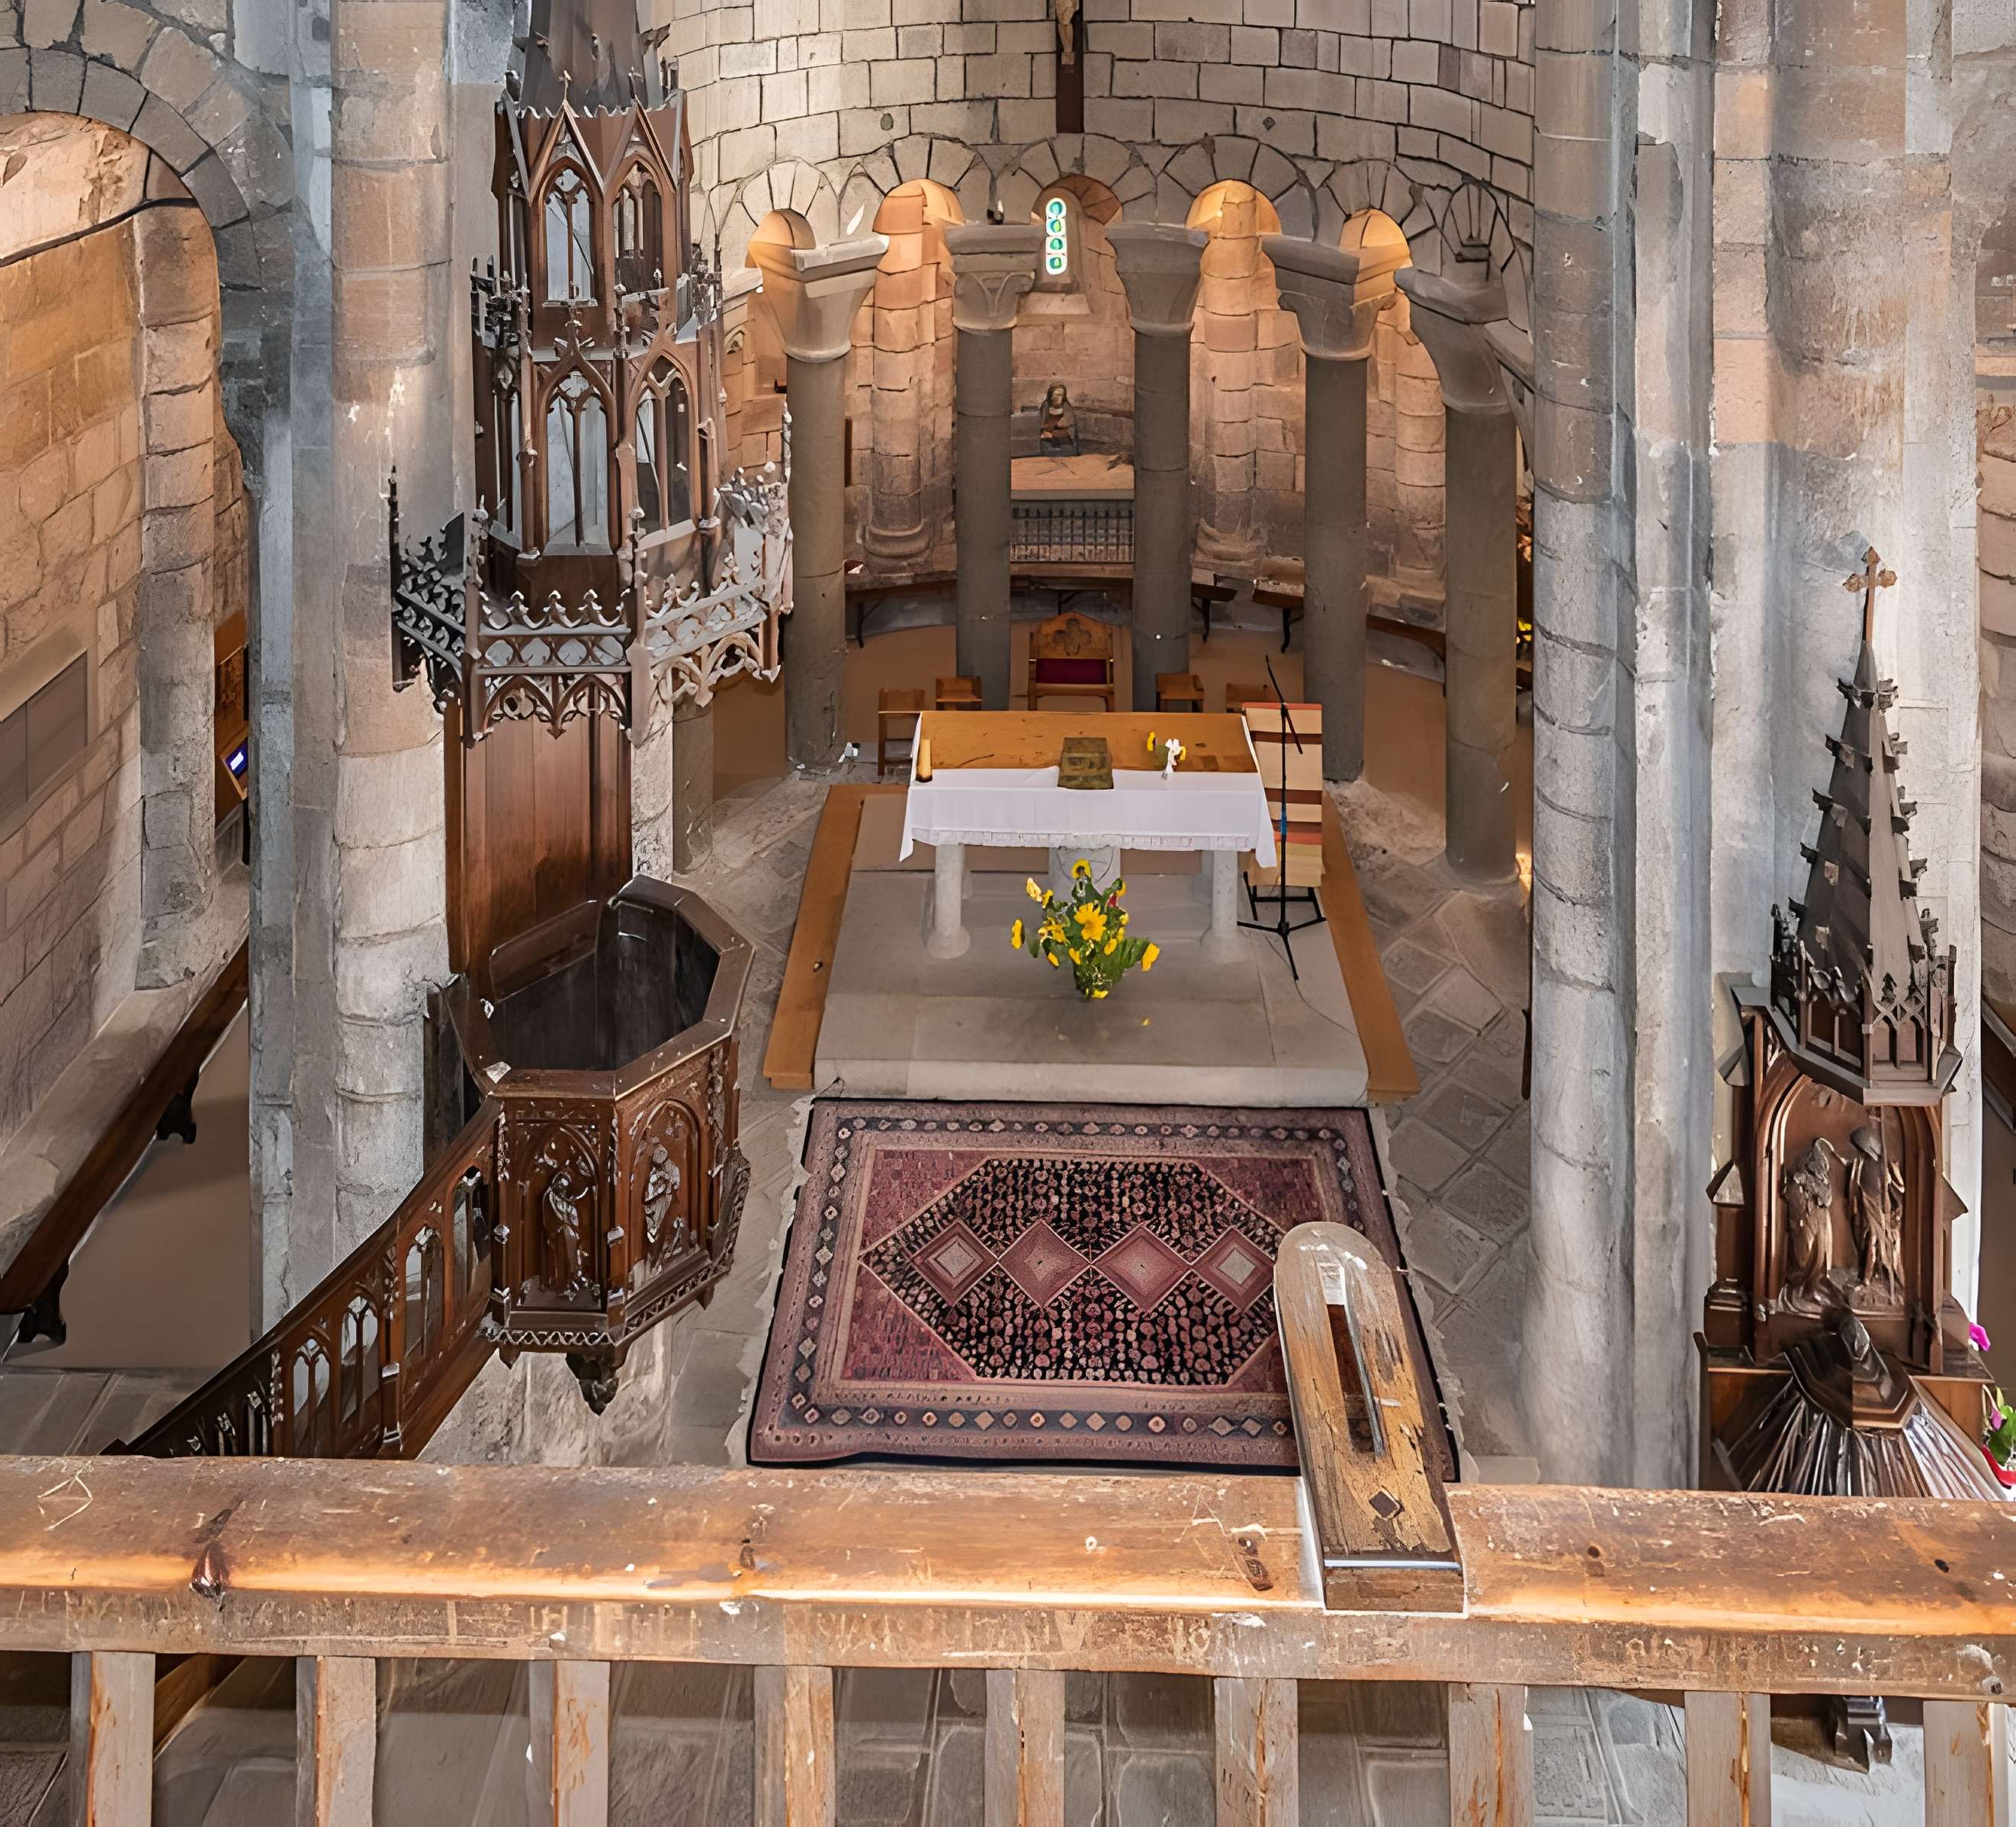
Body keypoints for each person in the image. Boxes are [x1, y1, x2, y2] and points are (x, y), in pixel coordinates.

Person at [1038, 383, 1079, 457]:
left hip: (1064, 438)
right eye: (1057, 395)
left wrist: (1053, 433)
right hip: (1048, 437)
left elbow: (1067, 425)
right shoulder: (1046, 406)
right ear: (1051, 395)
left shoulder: (1067, 407)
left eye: (1061, 395)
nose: (1059, 398)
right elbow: (1043, 423)